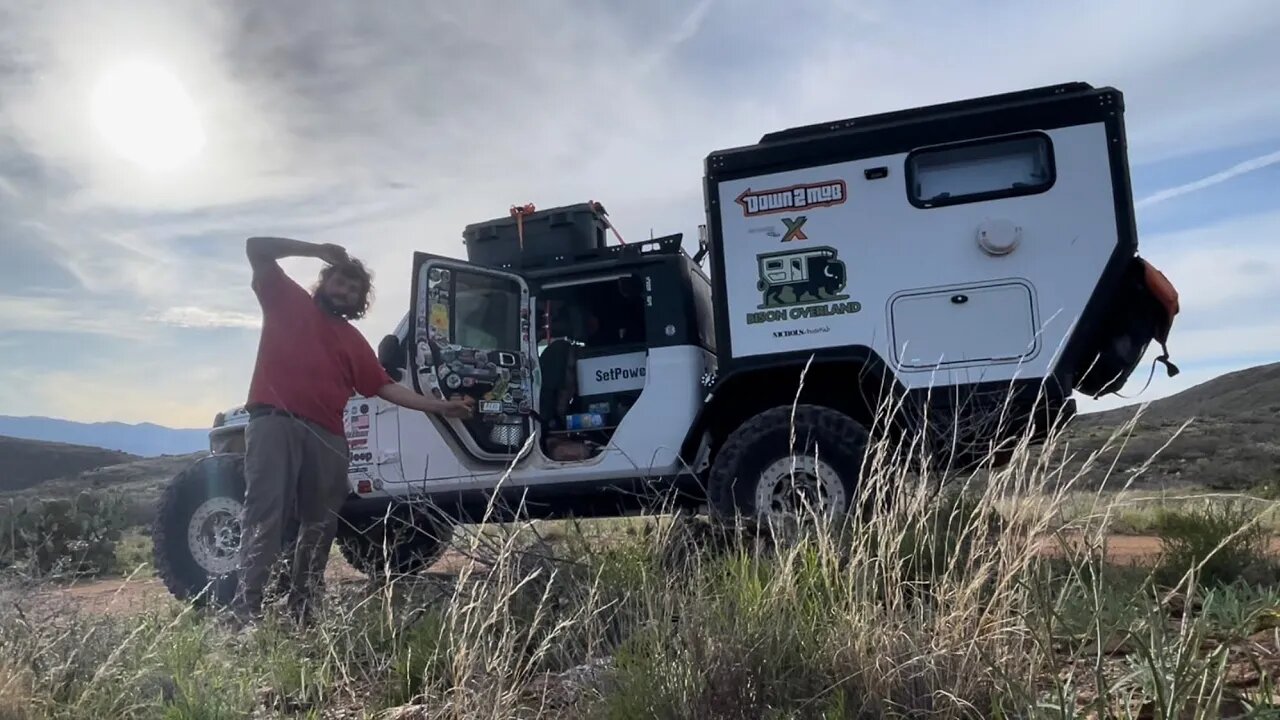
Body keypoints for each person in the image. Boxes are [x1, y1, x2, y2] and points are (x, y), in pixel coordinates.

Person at [230, 236, 473, 626]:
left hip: (327, 434)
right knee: (265, 514)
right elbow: (256, 247)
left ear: (359, 302)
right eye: (340, 282)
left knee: (321, 524)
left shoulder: (353, 341)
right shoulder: (286, 298)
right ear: (325, 282)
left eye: (353, 289)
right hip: (274, 422)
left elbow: (385, 387)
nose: (344, 291)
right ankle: (245, 613)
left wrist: (442, 406)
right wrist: (316, 250)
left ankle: (304, 609)